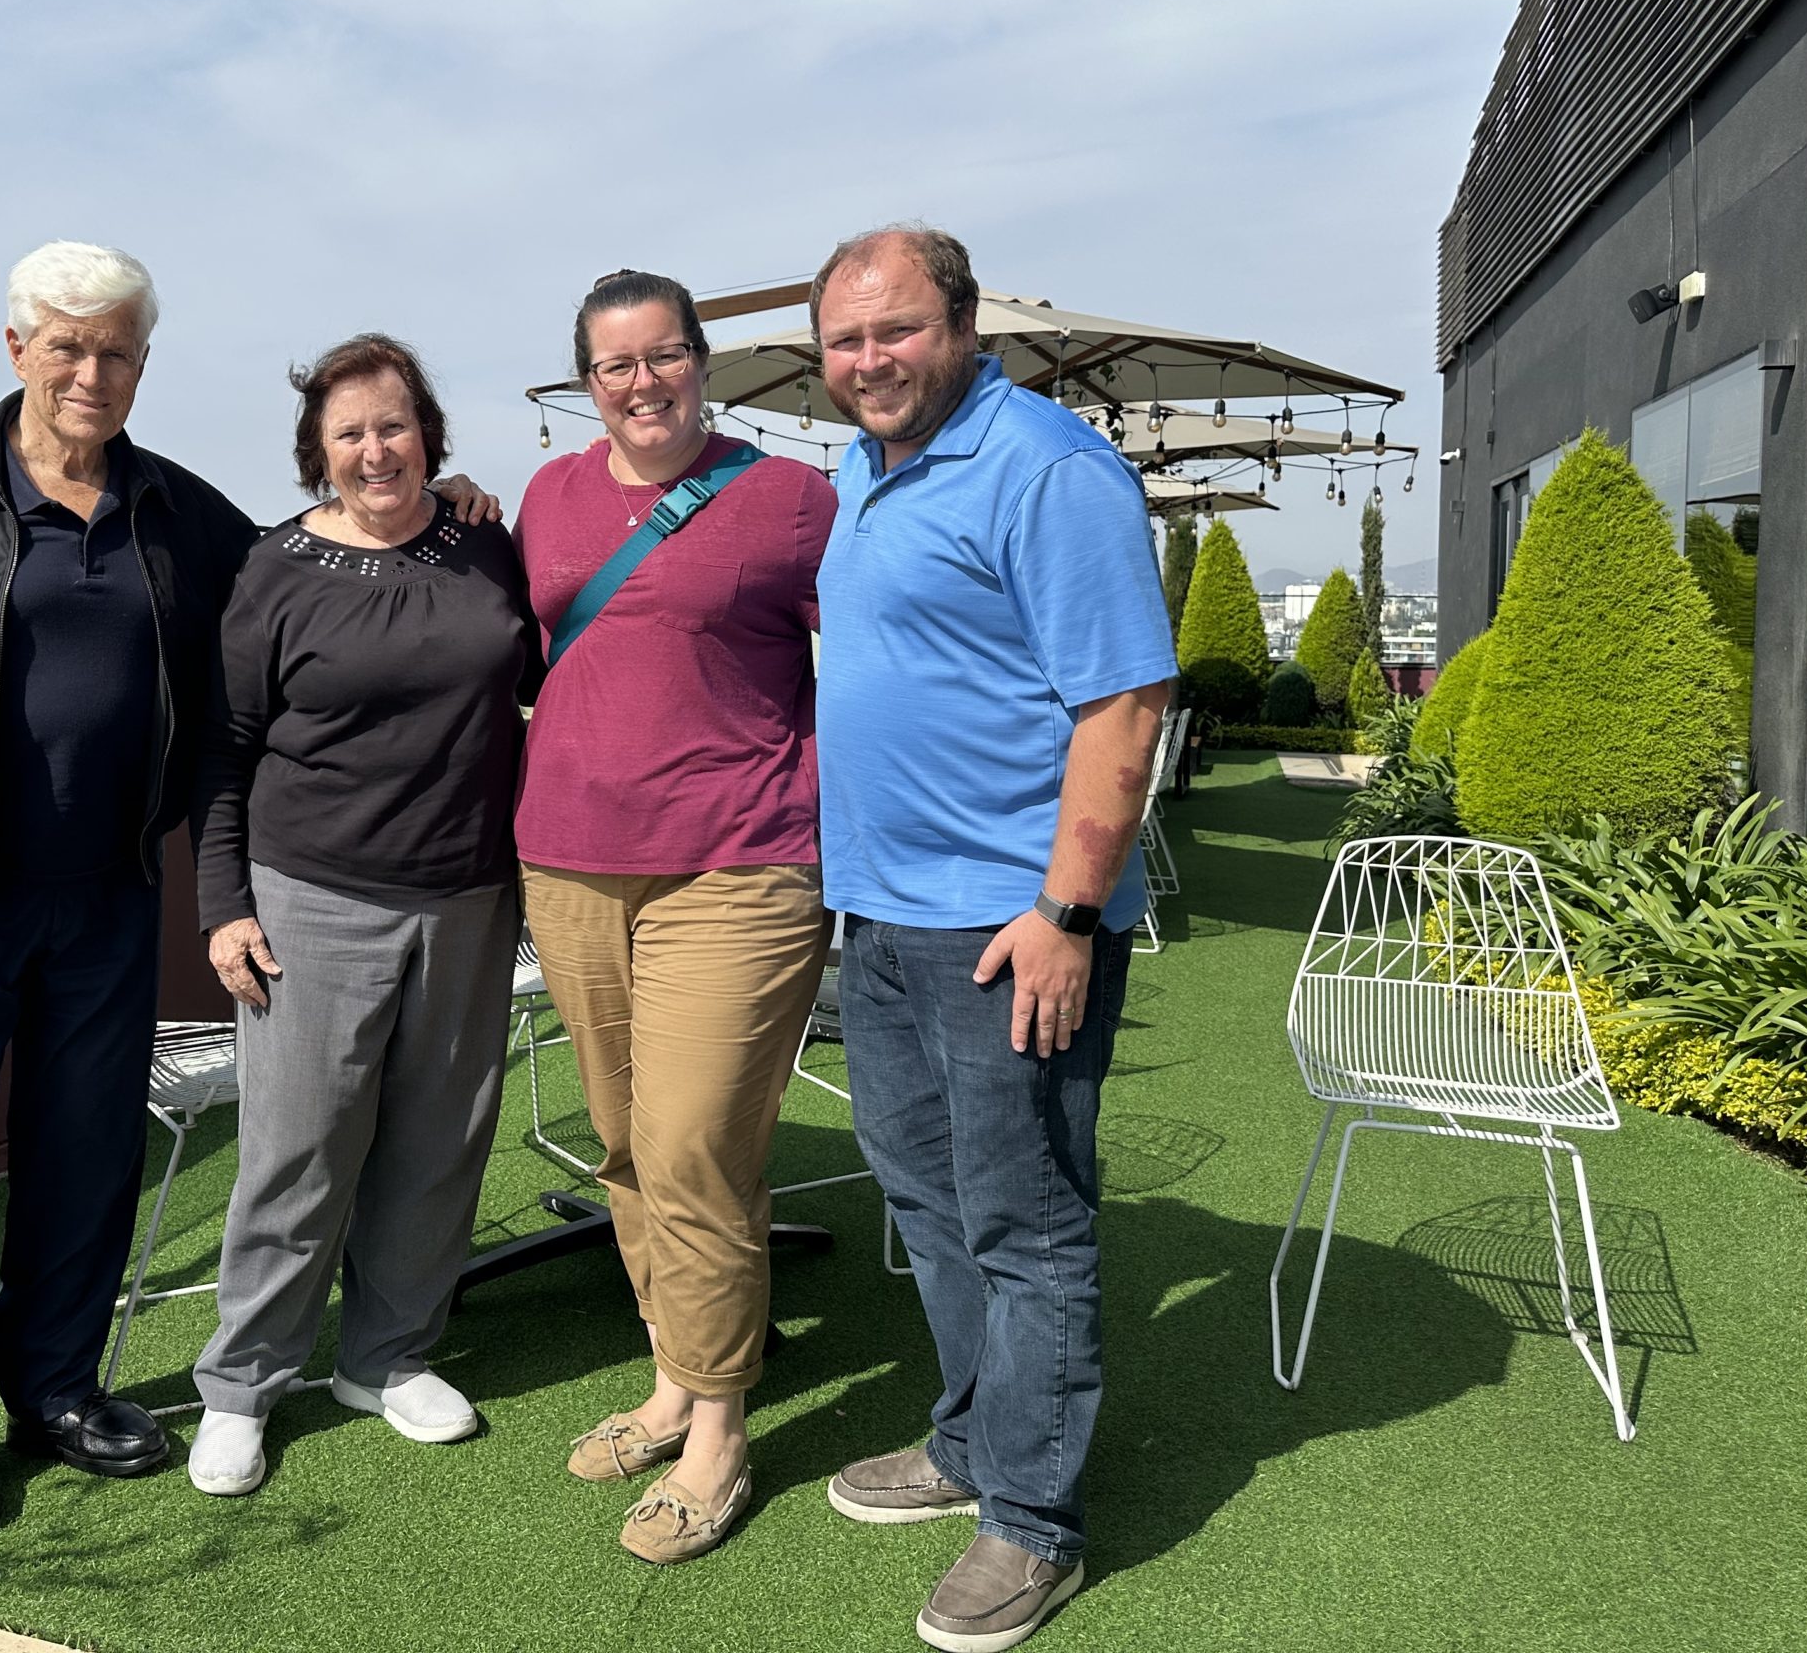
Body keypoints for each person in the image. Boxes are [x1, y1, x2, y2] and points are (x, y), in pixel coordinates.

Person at [0, 244, 494, 1537]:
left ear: (142, 364)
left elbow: (311, 559)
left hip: (105, 892)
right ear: (17, 351)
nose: (90, 373)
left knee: (86, 1159)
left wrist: (435, 501)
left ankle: (55, 1390)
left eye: (115, 351)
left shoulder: (176, 512)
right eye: (66, 347)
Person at [808, 225, 1174, 1652]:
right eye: (846, 339)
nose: (869, 361)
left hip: (1010, 924)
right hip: (887, 916)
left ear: (964, 326)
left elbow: (1124, 707)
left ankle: (1031, 1519)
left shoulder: (1047, 468)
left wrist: (1068, 912)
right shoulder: (865, 469)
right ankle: (970, 1442)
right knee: (926, 1199)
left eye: (895, 330)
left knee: (1024, 1219)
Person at [514, 268, 839, 1564]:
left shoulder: (789, 499)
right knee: (623, 1141)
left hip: (738, 866)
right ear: (586, 383)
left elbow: (877, 656)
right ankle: (672, 1375)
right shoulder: (545, 497)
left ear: (702, 362)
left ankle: (718, 1430)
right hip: (570, 863)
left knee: (693, 1140)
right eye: (615, 365)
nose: (640, 383)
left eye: (662, 357)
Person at [184, 333, 536, 1497]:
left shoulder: (483, 543)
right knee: (299, 1151)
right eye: (350, 433)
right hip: (312, 895)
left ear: (427, 433)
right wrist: (224, 907)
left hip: (470, 894)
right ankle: (243, 1385)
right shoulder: (273, 569)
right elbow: (224, 750)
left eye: (394, 426)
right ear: (317, 452)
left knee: (439, 1142)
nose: (375, 449)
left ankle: (386, 1358)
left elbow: (539, 676)